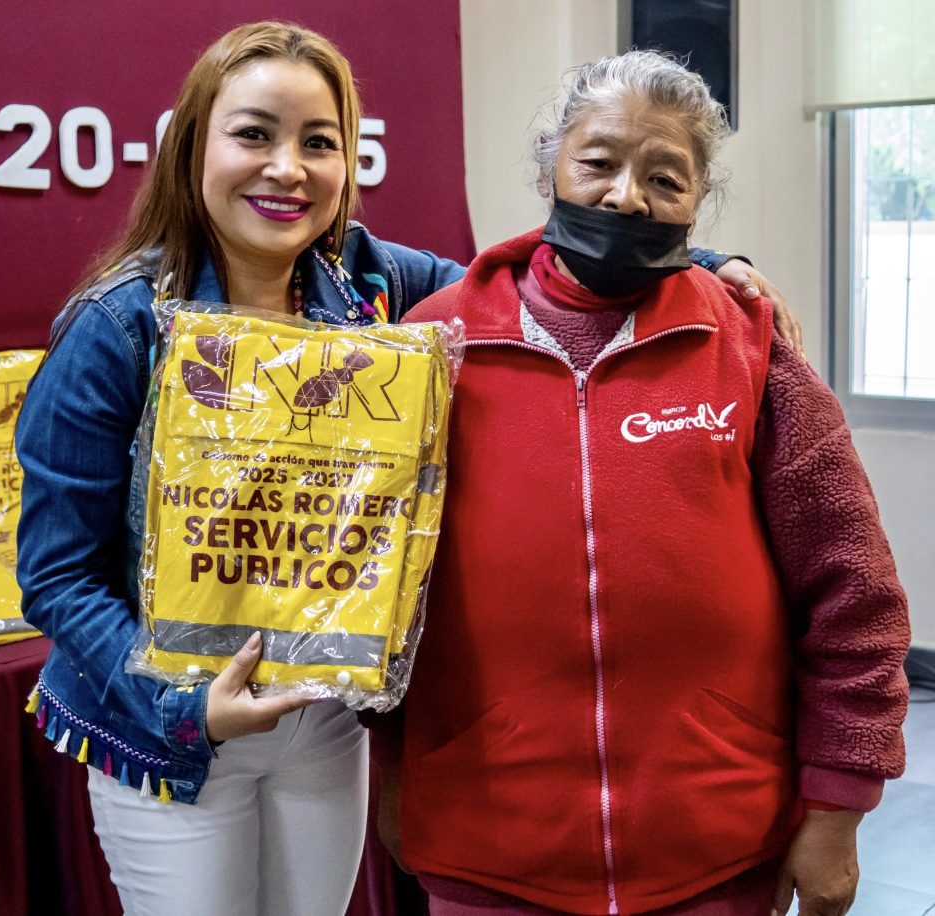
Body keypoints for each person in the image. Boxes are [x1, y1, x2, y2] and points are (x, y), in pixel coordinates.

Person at [16, 23, 795, 916]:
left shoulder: (374, 283)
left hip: (321, 719)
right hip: (168, 728)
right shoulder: (117, 327)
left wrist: (699, 259)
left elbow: (547, 275)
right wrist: (186, 709)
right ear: (193, 145)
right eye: (254, 135)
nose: (287, 169)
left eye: (319, 143)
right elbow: (56, 574)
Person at [384, 50, 911, 916]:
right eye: (598, 162)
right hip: (490, 844)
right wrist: (390, 769)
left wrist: (838, 808)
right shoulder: (433, 345)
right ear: (550, 169)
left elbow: (853, 589)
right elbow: (380, 594)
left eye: (665, 178)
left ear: (697, 202)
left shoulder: (749, 344)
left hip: (717, 848)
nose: (627, 197)